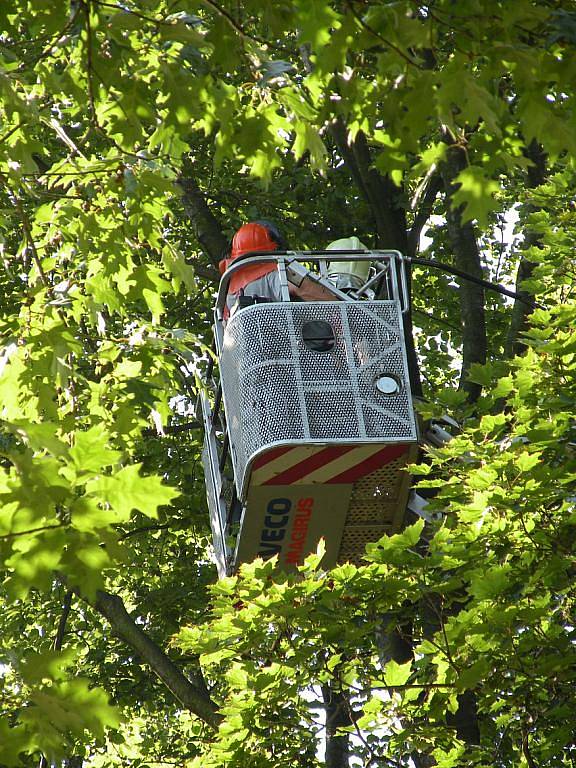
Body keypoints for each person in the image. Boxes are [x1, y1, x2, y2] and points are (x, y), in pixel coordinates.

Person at [219, 220, 336, 316]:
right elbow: (305, 288)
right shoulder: (278, 274)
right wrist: (347, 311)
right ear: (273, 249)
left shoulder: (228, 293)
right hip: (291, 342)